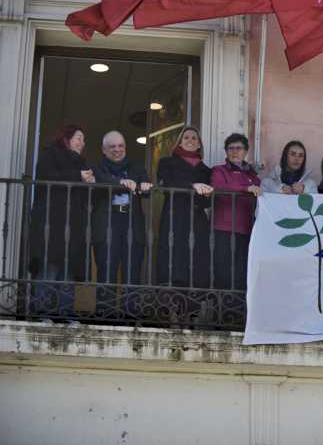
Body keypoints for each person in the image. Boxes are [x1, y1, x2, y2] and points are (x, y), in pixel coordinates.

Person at [29, 125, 94, 320]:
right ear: (67, 139)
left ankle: (66, 314)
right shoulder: (50, 154)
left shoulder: (81, 162)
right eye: (79, 138)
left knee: (68, 268)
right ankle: (42, 312)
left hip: (73, 225)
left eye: (83, 139)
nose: (82, 143)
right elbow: (47, 176)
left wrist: (90, 183)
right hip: (51, 222)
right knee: (49, 266)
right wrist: (78, 177)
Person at [91, 130, 151, 318]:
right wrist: (121, 182)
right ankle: (104, 315)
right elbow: (100, 181)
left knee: (132, 269)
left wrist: (146, 186)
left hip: (132, 223)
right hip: (107, 223)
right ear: (103, 149)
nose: (117, 150)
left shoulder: (137, 166)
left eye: (121, 146)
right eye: (112, 147)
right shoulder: (97, 167)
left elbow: (146, 188)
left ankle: (130, 316)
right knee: (106, 268)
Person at [210, 133, 262, 321]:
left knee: (241, 275)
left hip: (247, 230)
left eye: (238, 148)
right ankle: (220, 317)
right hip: (223, 229)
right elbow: (218, 189)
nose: (234, 152)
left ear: (246, 151)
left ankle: (238, 318)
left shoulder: (253, 176)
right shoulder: (219, 170)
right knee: (223, 274)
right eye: (231, 148)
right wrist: (244, 190)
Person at [155, 126, 213, 291]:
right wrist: (192, 185)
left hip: (197, 220)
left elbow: (206, 203)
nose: (190, 140)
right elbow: (167, 183)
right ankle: (171, 309)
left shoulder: (206, 170)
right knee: (173, 261)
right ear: (179, 142)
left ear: (199, 145)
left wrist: (208, 196)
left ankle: (194, 311)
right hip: (175, 218)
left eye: (194, 138)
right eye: (186, 137)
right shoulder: (166, 163)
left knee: (197, 262)